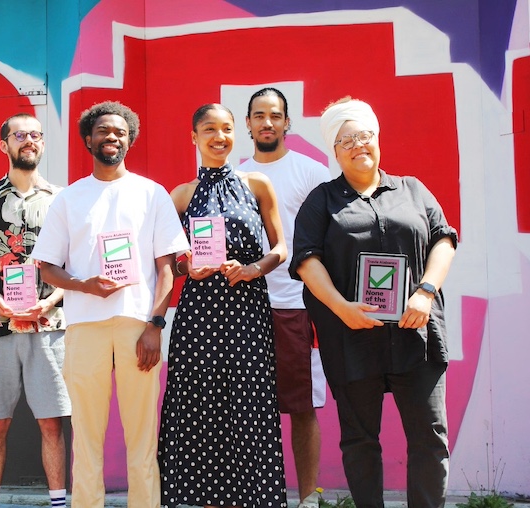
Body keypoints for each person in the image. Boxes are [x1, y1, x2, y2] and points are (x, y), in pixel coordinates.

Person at [289, 98, 456, 508]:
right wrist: (341, 307)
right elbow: (307, 261)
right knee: (360, 440)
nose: (357, 145)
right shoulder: (321, 201)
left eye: (364, 136)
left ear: (377, 138)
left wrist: (426, 290)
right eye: (346, 139)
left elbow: (444, 240)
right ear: (334, 149)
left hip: (416, 333)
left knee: (429, 438)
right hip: (351, 336)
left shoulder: (413, 189)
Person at [33, 101, 189, 508]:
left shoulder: (151, 193)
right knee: (86, 436)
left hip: (139, 325)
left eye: (120, 132)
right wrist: (83, 284)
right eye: (103, 131)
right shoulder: (68, 199)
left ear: (129, 139)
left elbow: (167, 268)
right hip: (84, 325)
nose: (112, 137)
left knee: (142, 435)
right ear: (89, 138)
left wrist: (156, 325)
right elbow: (47, 269)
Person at [158, 104, 288, 508]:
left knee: (250, 408)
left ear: (237, 133)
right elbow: (166, 258)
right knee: (201, 411)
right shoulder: (180, 195)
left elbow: (282, 249)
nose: (219, 136)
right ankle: (207, 500)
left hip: (247, 314)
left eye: (227, 128)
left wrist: (253, 268)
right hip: (198, 319)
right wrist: (186, 266)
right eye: (209, 129)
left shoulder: (259, 184)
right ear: (193, 137)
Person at [0, 113, 70, 508]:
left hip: (48, 325)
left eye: (36, 135)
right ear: (3, 145)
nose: (29, 140)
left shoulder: (63, 198)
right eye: (20, 134)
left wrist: (51, 299)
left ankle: (58, 501)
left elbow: (71, 264)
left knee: (51, 422)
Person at [236, 88, 331, 507]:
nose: (267, 122)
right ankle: (255, 495)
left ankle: (308, 497)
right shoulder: (234, 175)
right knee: (248, 410)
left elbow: (330, 236)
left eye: (275, 115)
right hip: (245, 307)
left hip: (297, 304)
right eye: (259, 115)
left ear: (287, 123)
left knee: (302, 407)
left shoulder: (312, 172)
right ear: (249, 124)